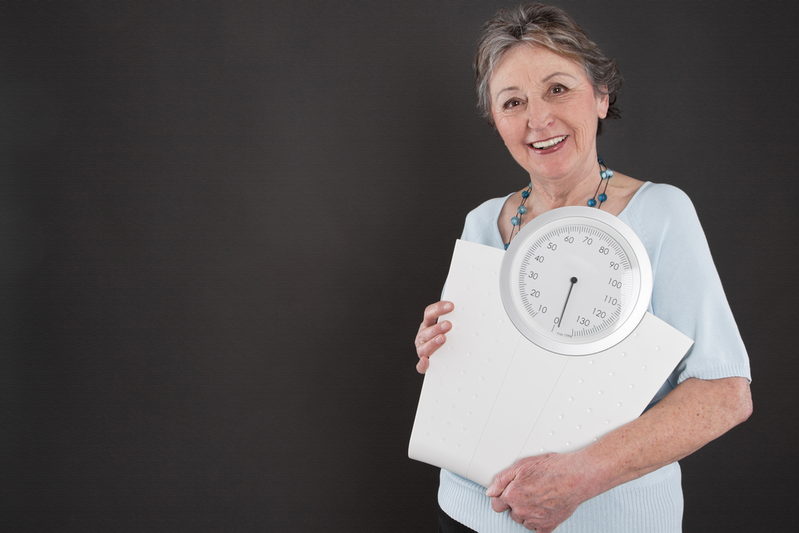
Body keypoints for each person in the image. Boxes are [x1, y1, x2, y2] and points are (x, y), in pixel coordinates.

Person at [413, 4, 752, 532]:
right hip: (469, 513)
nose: (538, 119)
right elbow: (481, 376)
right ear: (497, 121)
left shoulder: (661, 214)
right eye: (513, 102)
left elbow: (725, 394)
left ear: (600, 96)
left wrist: (579, 477)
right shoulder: (482, 222)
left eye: (557, 89)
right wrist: (440, 349)